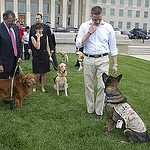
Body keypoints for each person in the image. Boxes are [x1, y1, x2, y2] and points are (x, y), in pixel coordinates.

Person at [76, 6, 118, 120]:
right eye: (95, 19)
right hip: (88, 59)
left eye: (99, 19)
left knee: (102, 86)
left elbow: (113, 47)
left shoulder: (108, 28)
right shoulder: (84, 26)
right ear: (91, 16)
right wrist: (89, 33)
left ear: (102, 16)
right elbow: (79, 44)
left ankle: (98, 111)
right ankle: (90, 109)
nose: (97, 21)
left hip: (103, 59)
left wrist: (115, 64)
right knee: (88, 86)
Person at [0, 10, 22, 79]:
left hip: (15, 62)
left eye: (14, 20)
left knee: (16, 83)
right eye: (11, 21)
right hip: (4, 64)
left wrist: (19, 56)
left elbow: (19, 43)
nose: (13, 23)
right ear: (4, 19)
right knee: (3, 86)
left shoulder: (15, 28)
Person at [30, 22, 51, 92]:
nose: (40, 30)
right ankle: (34, 86)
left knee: (44, 73)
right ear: (36, 29)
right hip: (37, 56)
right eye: (39, 29)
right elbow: (37, 47)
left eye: (41, 29)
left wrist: (49, 56)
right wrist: (38, 38)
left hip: (44, 55)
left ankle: (42, 87)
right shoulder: (33, 37)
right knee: (37, 74)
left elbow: (47, 46)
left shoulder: (46, 36)